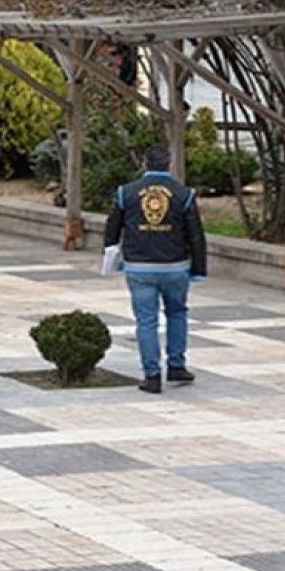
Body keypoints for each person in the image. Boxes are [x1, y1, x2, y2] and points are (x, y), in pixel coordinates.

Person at [104, 145, 207, 395]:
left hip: (139, 268)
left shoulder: (125, 193)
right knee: (177, 313)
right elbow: (196, 235)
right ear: (169, 163)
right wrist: (198, 269)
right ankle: (176, 365)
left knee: (146, 321)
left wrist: (112, 257)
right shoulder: (184, 194)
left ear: (144, 163)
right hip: (176, 267)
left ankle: (152, 375)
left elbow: (112, 229)